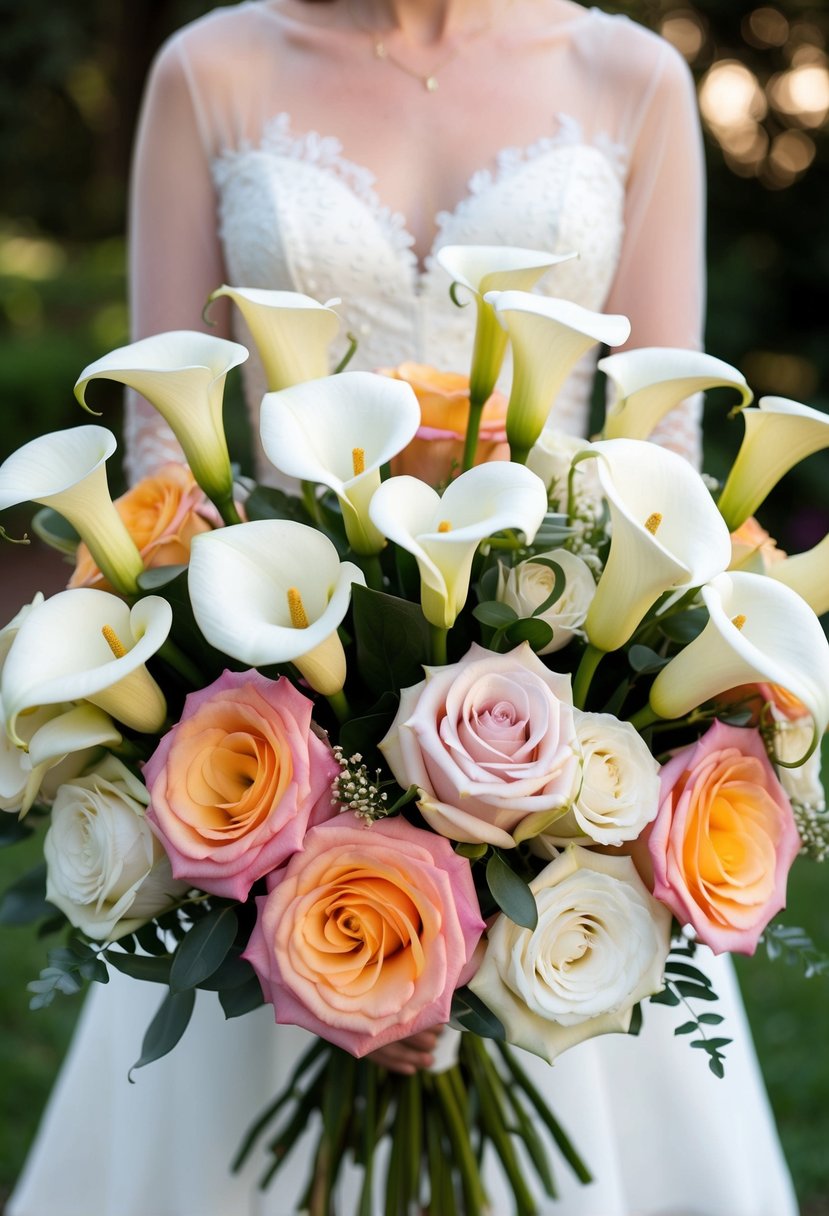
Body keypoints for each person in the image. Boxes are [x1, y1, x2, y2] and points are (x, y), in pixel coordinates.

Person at [9, 1, 799, 1212]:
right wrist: (317, 876)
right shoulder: (210, 67)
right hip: (266, 689)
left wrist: (555, 826)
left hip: (562, 688)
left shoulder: (630, 76)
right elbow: (168, 455)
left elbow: (664, 456)